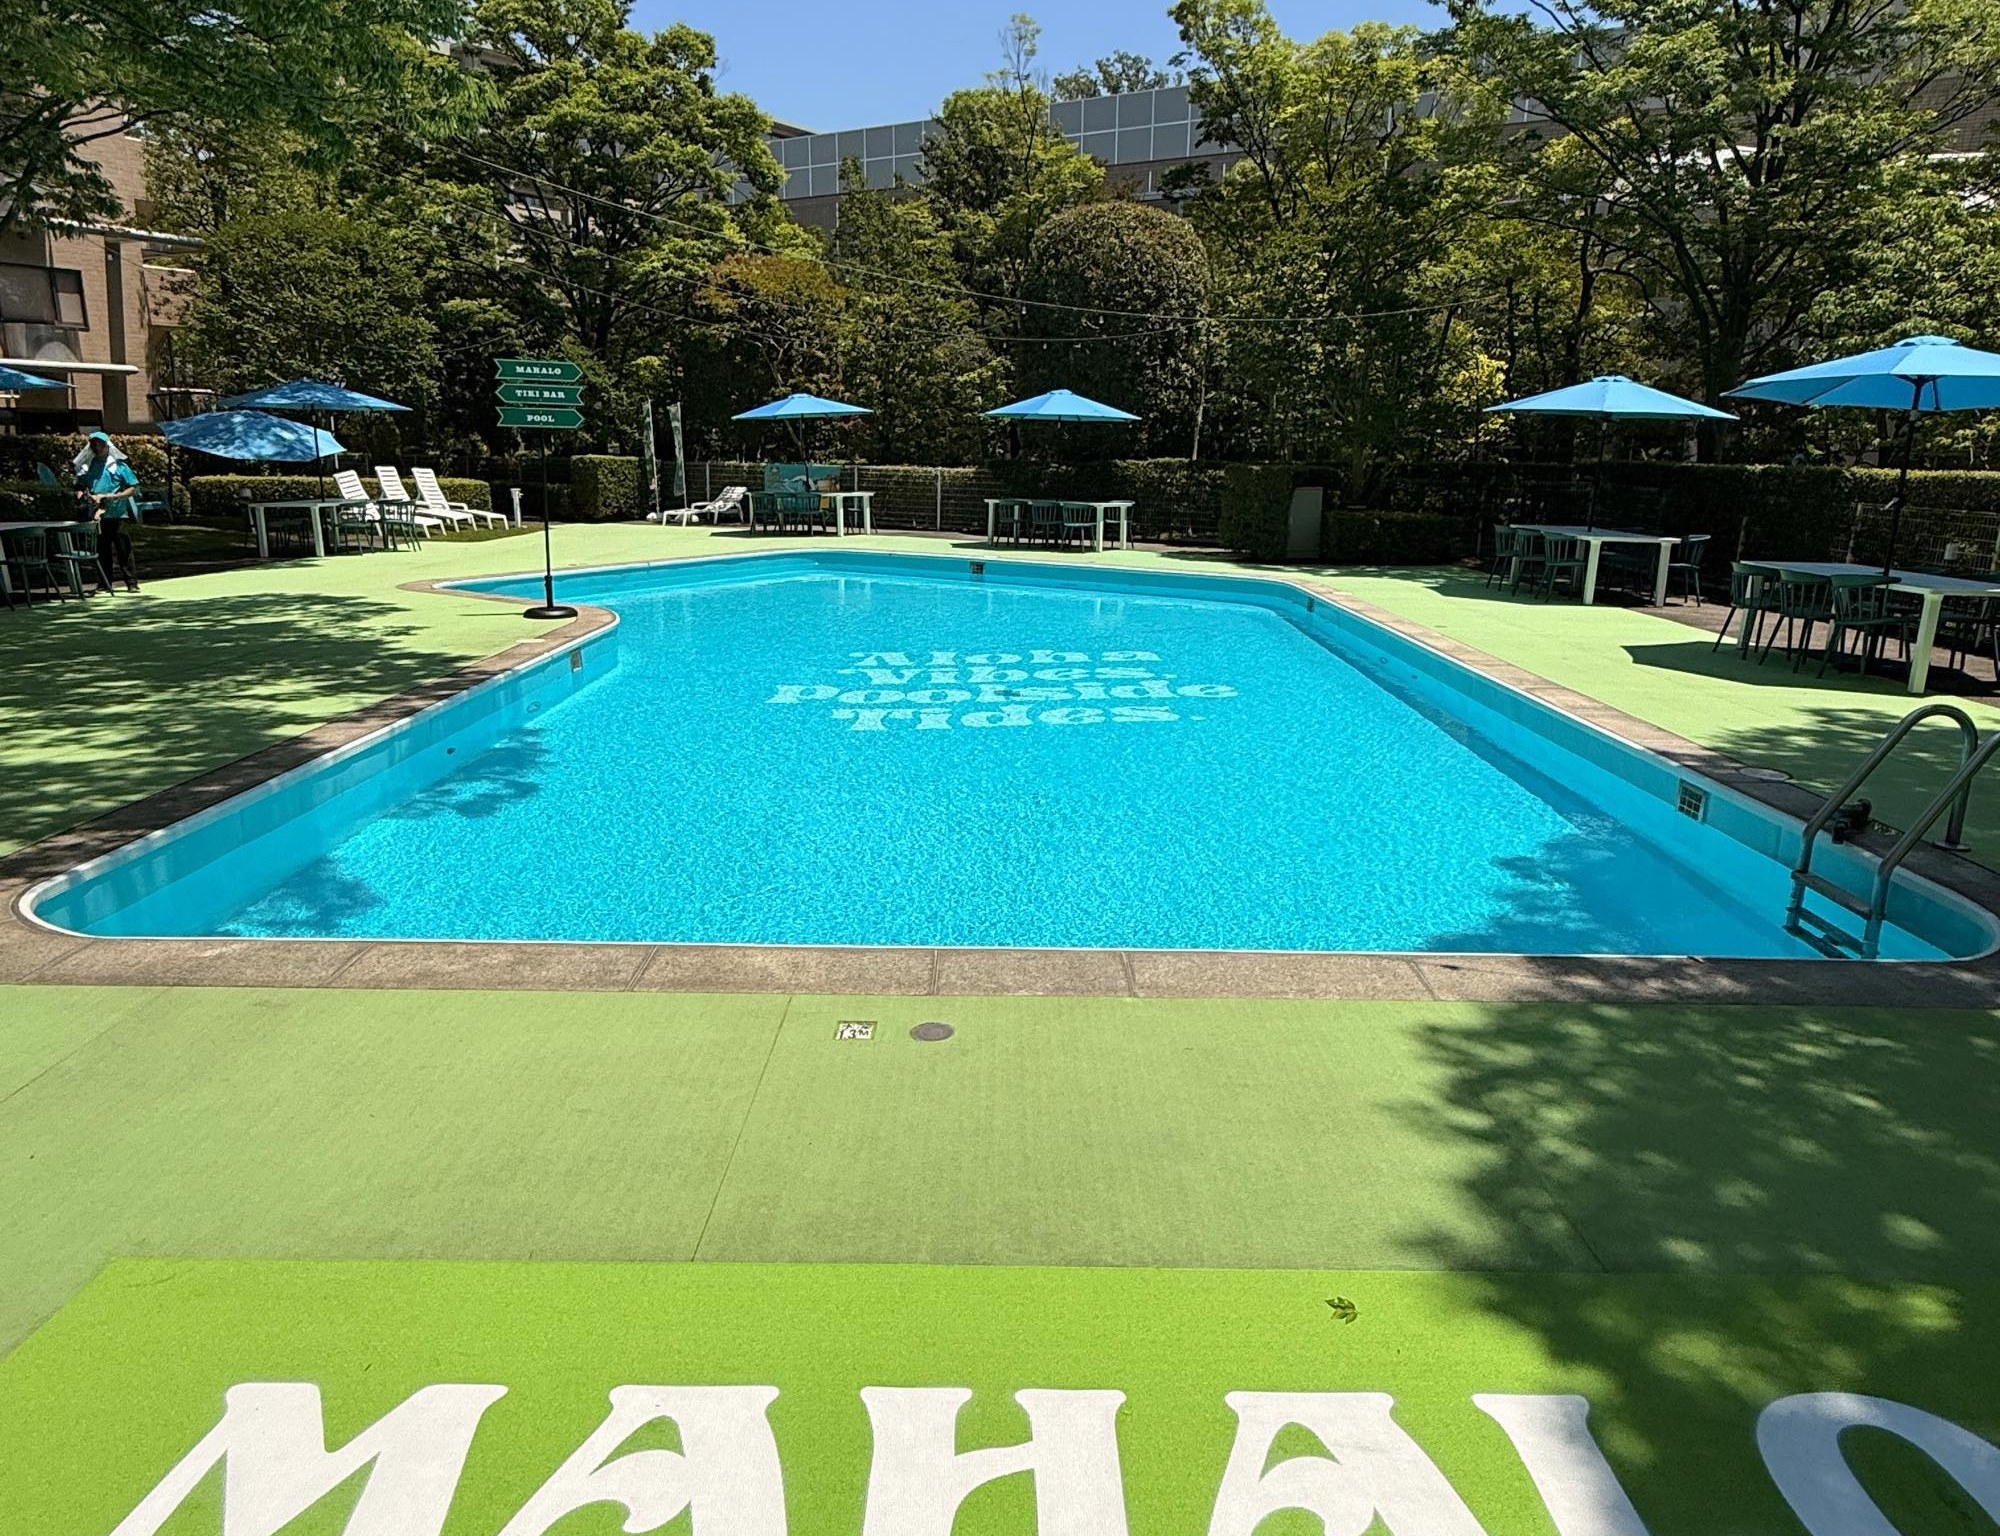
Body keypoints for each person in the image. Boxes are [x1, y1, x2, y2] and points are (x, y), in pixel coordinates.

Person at [74, 431, 140, 592]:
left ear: (107, 446)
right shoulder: (88, 466)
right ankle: (104, 583)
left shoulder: (120, 467)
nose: (97, 448)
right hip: (97, 515)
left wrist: (114, 496)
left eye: (100, 444)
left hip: (117, 514)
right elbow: (80, 486)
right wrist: (83, 496)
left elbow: (132, 488)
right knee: (102, 550)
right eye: (94, 445)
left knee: (123, 549)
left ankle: (132, 583)